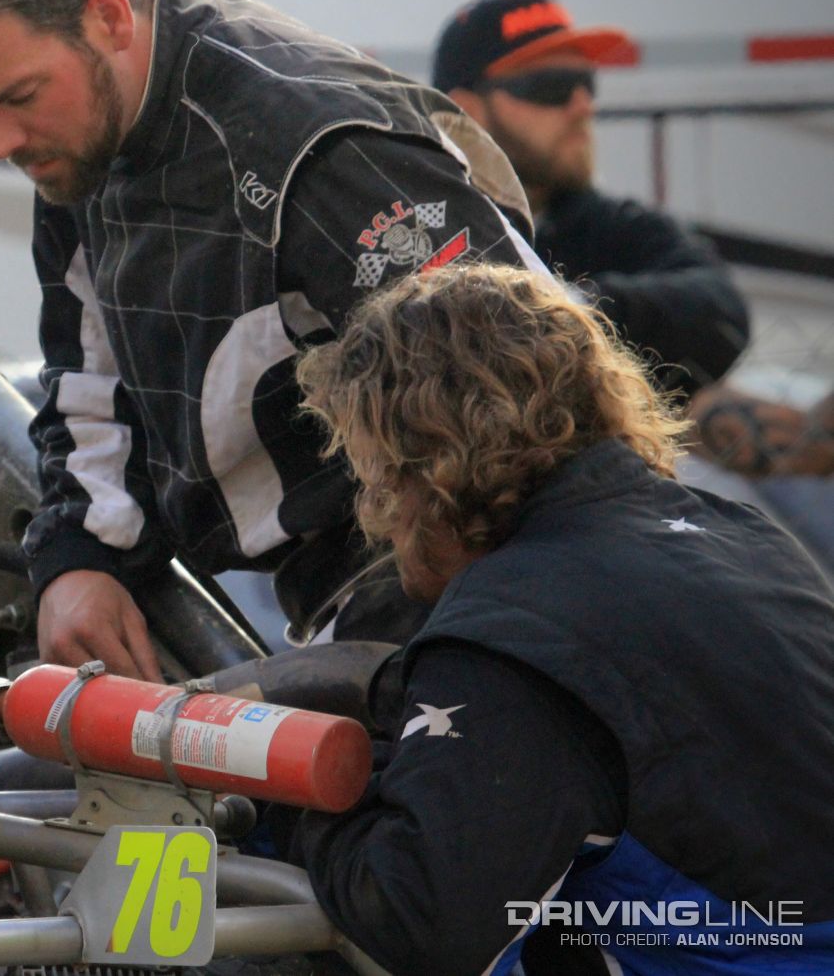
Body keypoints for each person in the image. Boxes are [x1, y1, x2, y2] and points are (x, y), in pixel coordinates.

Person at [0, 0, 542, 668]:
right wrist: (79, 557)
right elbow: (91, 386)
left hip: (471, 592)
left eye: (16, 97)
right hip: (318, 598)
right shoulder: (78, 144)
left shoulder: (316, 146)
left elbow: (538, 412)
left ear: (109, 17)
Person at [293, 263, 834, 974]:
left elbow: (422, 920)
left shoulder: (512, 632)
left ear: (419, 465)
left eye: (369, 475)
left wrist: (302, 795)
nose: (375, 517)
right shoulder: (740, 533)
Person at [434, 0, 751, 399]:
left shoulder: (603, 220)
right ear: (466, 111)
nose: (583, 105)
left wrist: (566, 308)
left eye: (587, 82)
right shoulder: (423, 225)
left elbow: (721, 309)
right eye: (550, 86)